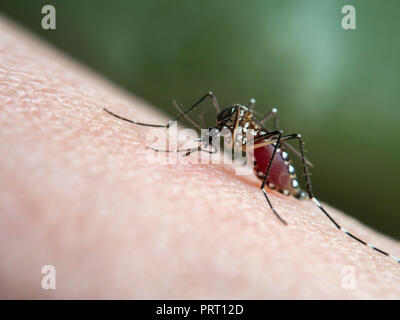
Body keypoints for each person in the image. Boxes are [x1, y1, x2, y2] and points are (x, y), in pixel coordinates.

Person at [0, 16, 399, 299]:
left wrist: (266, 176)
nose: (220, 129)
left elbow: (256, 133)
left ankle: (304, 198)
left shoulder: (248, 130)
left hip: (272, 163)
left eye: (224, 127)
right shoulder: (228, 122)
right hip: (258, 148)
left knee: (284, 132)